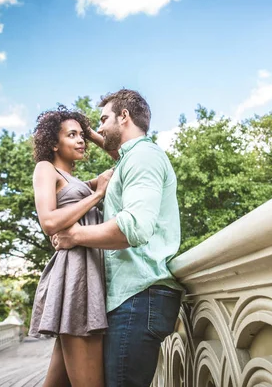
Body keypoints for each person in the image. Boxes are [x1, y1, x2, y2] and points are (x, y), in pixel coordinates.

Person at [53, 89, 184, 387]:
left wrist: (75, 235)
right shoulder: (130, 158)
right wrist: (82, 126)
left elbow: (134, 226)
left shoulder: (143, 157)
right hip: (131, 299)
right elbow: (116, 150)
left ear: (124, 116)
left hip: (140, 298)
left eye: (102, 120)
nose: (97, 130)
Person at [28, 106, 116, 387]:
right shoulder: (46, 169)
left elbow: (122, 156)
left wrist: (88, 129)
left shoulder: (79, 182)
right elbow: (49, 222)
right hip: (75, 278)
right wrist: (98, 195)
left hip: (89, 275)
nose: (81, 141)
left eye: (82, 136)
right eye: (72, 135)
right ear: (54, 143)